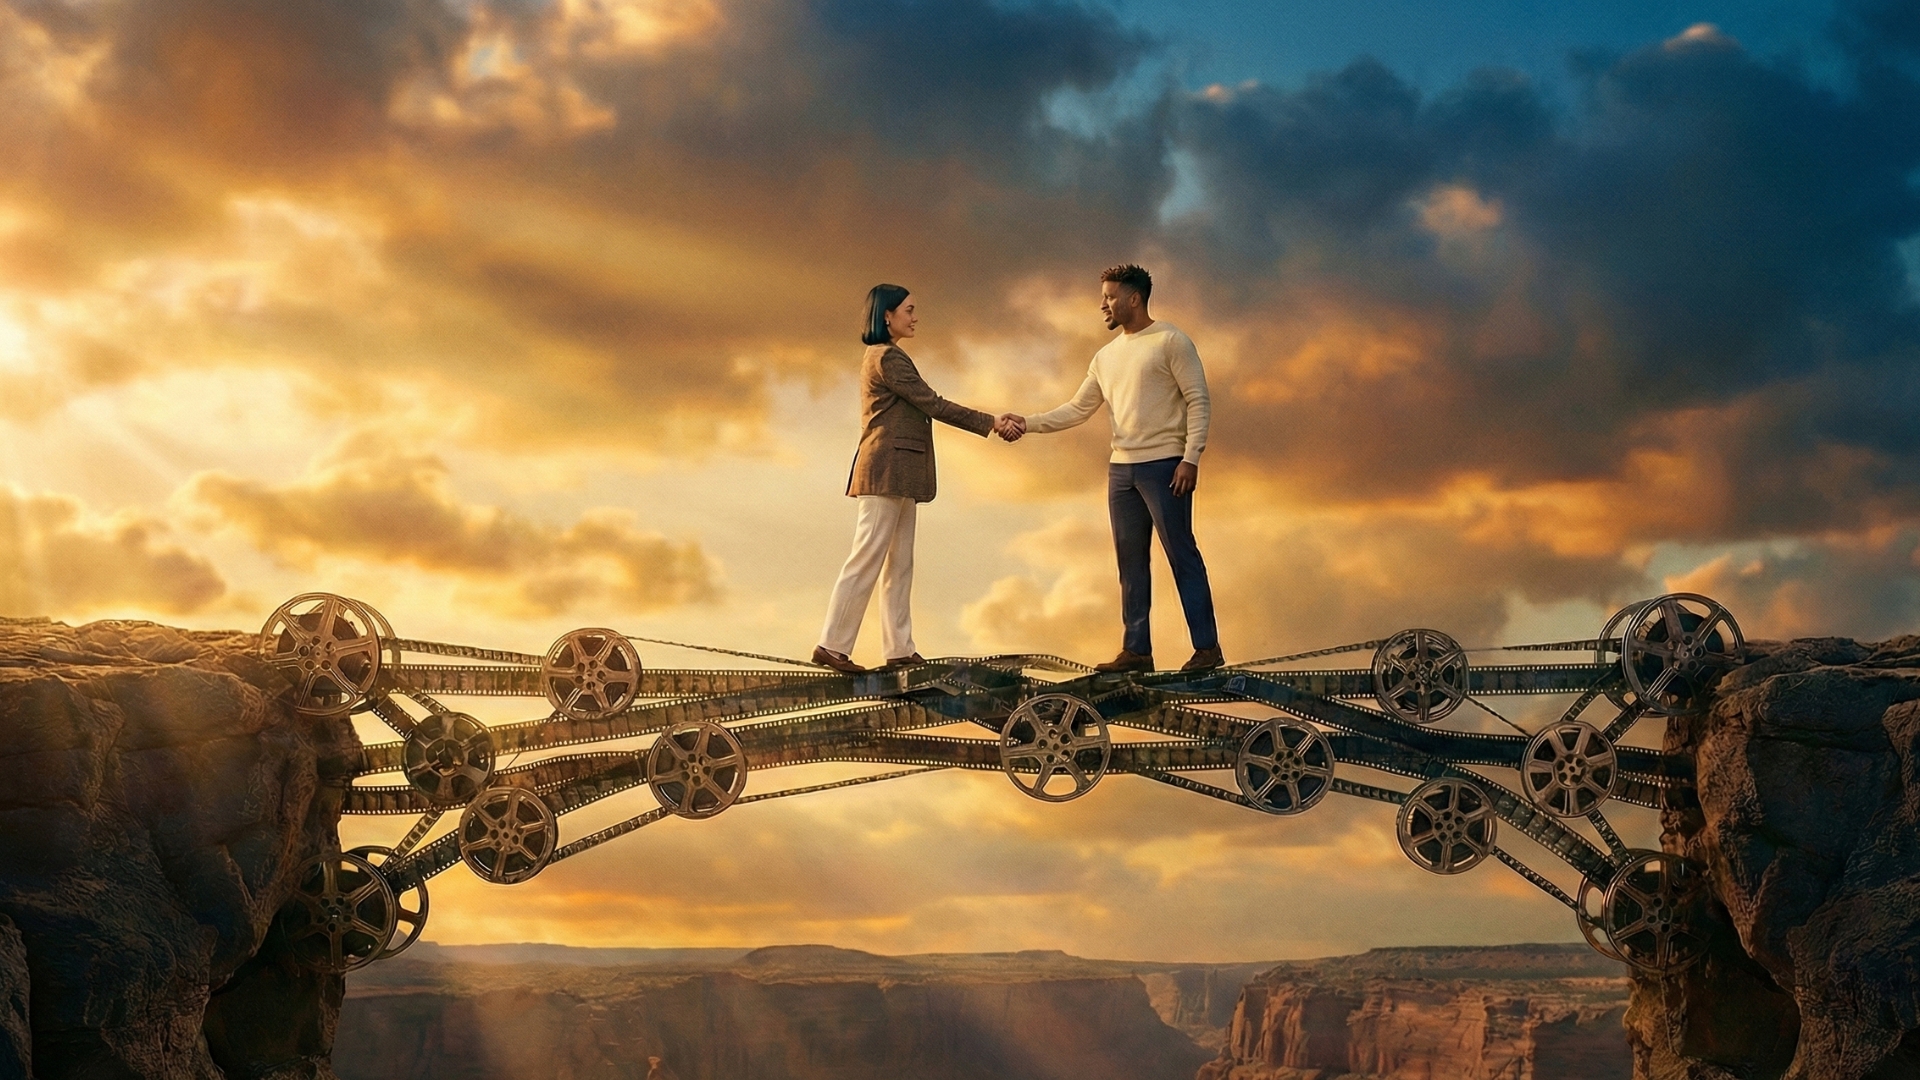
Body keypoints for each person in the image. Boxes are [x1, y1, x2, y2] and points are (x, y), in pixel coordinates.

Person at [998, 264, 1221, 673]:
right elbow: (1077, 409)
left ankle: (1207, 649)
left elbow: (1198, 400)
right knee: (1130, 564)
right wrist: (1027, 422)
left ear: (1133, 298)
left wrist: (1191, 457)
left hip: (1166, 467)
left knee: (1181, 554)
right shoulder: (1105, 357)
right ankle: (1136, 652)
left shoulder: (1171, 341)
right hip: (1122, 472)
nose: (1103, 304)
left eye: (1110, 297)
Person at [813, 284, 1015, 675]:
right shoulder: (887, 357)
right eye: (908, 310)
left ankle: (900, 648)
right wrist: (991, 421)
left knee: (900, 563)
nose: (915, 317)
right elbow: (931, 403)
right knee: (867, 558)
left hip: (901, 473)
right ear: (887, 316)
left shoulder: (887, 355)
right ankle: (832, 644)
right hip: (885, 471)